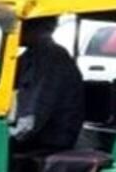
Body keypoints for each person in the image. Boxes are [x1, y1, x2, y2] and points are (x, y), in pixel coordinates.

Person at [10, 18, 85, 152]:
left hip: (49, 141)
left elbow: (31, 120)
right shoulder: (33, 54)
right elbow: (7, 74)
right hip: (37, 136)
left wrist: (5, 136)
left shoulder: (49, 58)